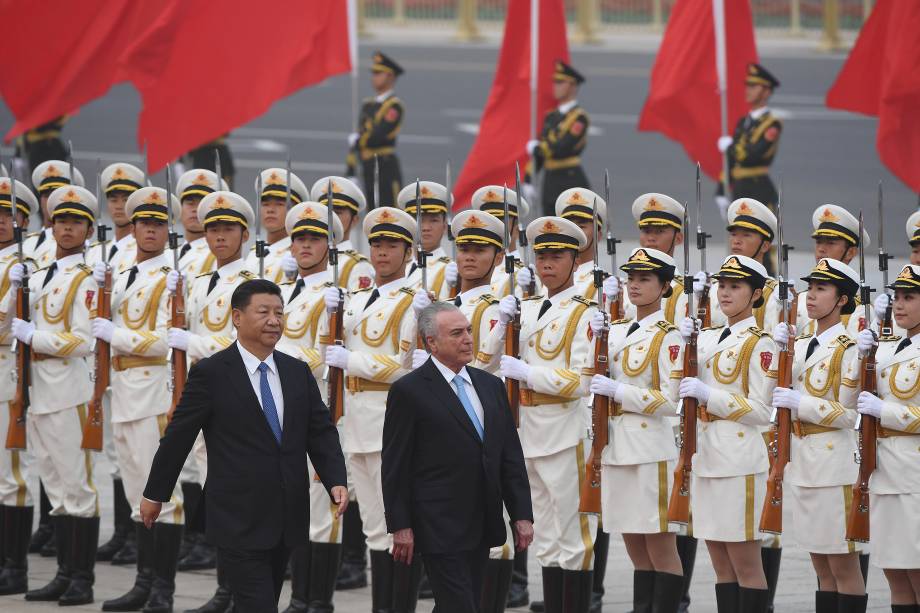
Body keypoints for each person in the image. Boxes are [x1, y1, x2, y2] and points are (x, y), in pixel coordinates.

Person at [141, 279, 349, 612]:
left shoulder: (297, 371)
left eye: (279, 313)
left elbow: (320, 432)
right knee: (258, 604)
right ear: (237, 317)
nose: (274, 321)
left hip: (286, 515)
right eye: (263, 312)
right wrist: (155, 494)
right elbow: (178, 437)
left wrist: (336, 479)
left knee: (262, 599)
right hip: (236, 516)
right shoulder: (211, 373)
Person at [382, 302, 534, 613]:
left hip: (482, 520)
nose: (467, 338)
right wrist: (400, 524)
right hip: (437, 523)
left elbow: (509, 457)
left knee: (462, 603)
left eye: (468, 330)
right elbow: (395, 465)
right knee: (460, 605)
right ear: (431, 343)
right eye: (456, 333)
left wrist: (521, 514)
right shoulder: (409, 391)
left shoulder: (490, 386)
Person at [321, 206, 425, 613]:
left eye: (391, 245)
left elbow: (407, 368)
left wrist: (355, 362)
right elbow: (329, 352)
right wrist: (329, 314)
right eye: (377, 244)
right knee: (373, 530)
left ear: (408, 251)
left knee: (399, 525)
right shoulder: (357, 297)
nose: (382, 252)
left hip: (391, 423)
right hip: (357, 424)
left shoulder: (415, 301)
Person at [88, 186, 186, 612]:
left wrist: (118, 335)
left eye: (158, 224)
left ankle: (162, 589)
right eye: (144, 224)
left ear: (169, 229)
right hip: (123, 392)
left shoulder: (174, 277)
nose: (150, 231)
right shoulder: (123, 271)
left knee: (162, 494)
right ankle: (144, 582)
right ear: (134, 227)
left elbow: (167, 340)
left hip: (152, 390)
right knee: (135, 494)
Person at [495, 216, 598, 613]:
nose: (548, 265)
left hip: (563, 429)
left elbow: (579, 381)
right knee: (547, 535)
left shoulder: (585, 312)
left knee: (573, 534)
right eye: (542, 257)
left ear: (575, 260)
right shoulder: (527, 307)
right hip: (528, 431)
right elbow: (490, 359)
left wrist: (529, 374)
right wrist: (502, 321)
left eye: (557, 256)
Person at [9, 185, 100, 605]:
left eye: (76, 222)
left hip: (68, 389)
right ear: (51, 224)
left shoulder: (86, 280)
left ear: (87, 229)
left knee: (77, 487)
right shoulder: (41, 272)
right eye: (61, 221)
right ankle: (64, 572)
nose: (67, 228)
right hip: (37, 389)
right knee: (55, 485)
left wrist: (36, 337)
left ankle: (81, 578)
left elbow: (83, 341)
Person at [166, 190, 257, 612]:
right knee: (216, 496)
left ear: (244, 233)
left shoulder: (251, 285)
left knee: (238, 500)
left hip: (237, 401)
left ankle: (238, 591)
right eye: (213, 229)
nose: (219, 237)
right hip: (205, 399)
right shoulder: (202, 282)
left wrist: (194, 341)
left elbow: (245, 342)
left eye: (228, 229)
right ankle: (226, 589)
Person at [678, 255, 776, 613]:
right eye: (722, 285)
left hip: (739, 461)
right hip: (706, 456)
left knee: (745, 562)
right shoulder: (704, 338)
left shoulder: (760, 342)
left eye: (735, 286)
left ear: (755, 294)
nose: (725, 293)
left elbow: (764, 411)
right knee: (720, 561)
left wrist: (711, 397)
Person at [589, 247, 685, 613]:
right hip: (616, 447)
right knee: (633, 544)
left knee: (660, 546)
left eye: (645, 279)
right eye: (631, 278)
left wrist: (621, 392)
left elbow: (670, 401)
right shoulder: (612, 330)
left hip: (649, 449)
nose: (635, 285)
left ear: (664, 287)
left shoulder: (669, 335)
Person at [771, 258, 868, 613]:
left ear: (842, 300)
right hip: (805, 462)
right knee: (820, 566)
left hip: (833, 465)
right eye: (810, 288)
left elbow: (851, 415)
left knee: (843, 565)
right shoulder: (801, 345)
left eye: (821, 289)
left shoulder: (850, 348)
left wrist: (803, 403)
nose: (810, 296)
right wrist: (778, 351)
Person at [275, 200, 346, 613]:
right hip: (277, 410)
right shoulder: (280, 292)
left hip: (316, 408)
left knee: (322, 509)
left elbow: (324, 357)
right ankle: (299, 596)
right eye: (299, 237)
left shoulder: (333, 297)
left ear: (329, 245)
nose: (304, 245)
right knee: (294, 506)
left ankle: (317, 599)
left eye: (314, 238)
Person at [87, 162, 146, 568]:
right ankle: (125, 532)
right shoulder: (100, 251)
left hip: (136, 366)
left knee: (143, 458)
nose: (120, 204)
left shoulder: (142, 251)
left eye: (127, 197)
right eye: (114, 197)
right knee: (114, 452)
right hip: (103, 365)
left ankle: (139, 537)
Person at [854, 264, 920, 612]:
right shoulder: (890, 347)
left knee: (918, 573)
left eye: (910, 297)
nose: (899, 305)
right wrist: (861, 355)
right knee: (895, 575)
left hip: (913, 477)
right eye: (897, 297)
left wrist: (887, 412)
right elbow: (855, 397)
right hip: (883, 474)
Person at [171, 168, 226, 574]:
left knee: (219, 469)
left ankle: (213, 547)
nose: (195, 210)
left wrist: (193, 344)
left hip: (223, 382)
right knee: (194, 462)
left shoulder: (241, 273)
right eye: (190, 202)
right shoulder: (198, 270)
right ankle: (197, 537)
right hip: (192, 378)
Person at [0, 177, 38, 596]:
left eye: (7, 216)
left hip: (7, 374)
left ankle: (15, 566)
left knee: (11, 475)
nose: (0, 223)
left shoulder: (20, 266)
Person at [716, 63, 782, 275]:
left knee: (762, 241)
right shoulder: (743, 121)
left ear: (766, 91)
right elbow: (730, 163)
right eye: (748, 85)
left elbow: (753, 154)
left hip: (758, 188)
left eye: (753, 86)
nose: (748, 90)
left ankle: (767, 283)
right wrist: (720, 190)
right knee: (738, 241)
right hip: (739, 188)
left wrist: (731, 147)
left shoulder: (772, 124)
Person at [795, 205, 873, 338]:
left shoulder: (860, 310)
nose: (821, 249)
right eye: (819, 242)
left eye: (830, 243)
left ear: (850, 252)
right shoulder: (798, 300)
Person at [524, 60, 591, 216]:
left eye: (560, 82)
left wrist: (537, 148)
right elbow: (540, 153)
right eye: (555, 81)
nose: (555, 86)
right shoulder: (551, 116)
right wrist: (529, 178)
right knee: (550, 227)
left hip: (570, 178)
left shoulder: (579, 118)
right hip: (550, 180)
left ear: (573, 86)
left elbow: (561, 147)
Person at [346, 51, 405, 209]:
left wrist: (359, 141)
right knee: (372, 212)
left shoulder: (394, 106)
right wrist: (350, 169)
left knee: (388, 212)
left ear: (391, 77)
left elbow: (376, 136)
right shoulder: (368, 105)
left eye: (379, 73)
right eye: (374, 73)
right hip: (367, 166)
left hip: (384, 166)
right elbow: (359, 137)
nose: (374, 77)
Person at [310, 177, 375, 293]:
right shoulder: (305, 256)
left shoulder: (358, 267)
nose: (331, 218)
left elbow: (357, 308)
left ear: (354, 220)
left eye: (338, 212)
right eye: (326, 211)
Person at [245, 168, 308, 284]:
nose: (270, 210)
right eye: (265, 204)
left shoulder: (300, 254)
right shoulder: (255, 252)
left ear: (295, 211)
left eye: (279, 204)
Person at [398, 181, 453, 301]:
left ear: (444, 226)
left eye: (433, 220)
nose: (426, 227)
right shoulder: (395, 264)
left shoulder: (451, 271)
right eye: (419, 220)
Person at [28, 160, 85, 269]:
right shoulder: (28, 242)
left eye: (58, 195)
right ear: (40, 199)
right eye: (46, 195)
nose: (51, 201)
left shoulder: (78, 244)